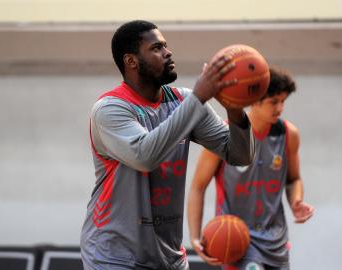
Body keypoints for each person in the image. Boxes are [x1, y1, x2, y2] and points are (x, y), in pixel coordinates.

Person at [80, 20, 255, 270]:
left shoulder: (182, 100)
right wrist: (199, 98)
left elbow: (240, 155)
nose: (168, 52)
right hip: (114, 257)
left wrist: (235, 111)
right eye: (156, 48)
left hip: (168, 257)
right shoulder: (110, 109)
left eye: (166, 45)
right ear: (131, 61)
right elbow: (145, 155)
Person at [187, 65, 314, 270]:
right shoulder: (224, 134)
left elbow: (293, 180)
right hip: (237, 238)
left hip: (276, 240)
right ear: (254, 100)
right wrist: (194, 236)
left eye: (283, 101)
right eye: (274, 102)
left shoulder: (289, 134)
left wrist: (296, 201)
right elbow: (197, 187)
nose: (280, 108)